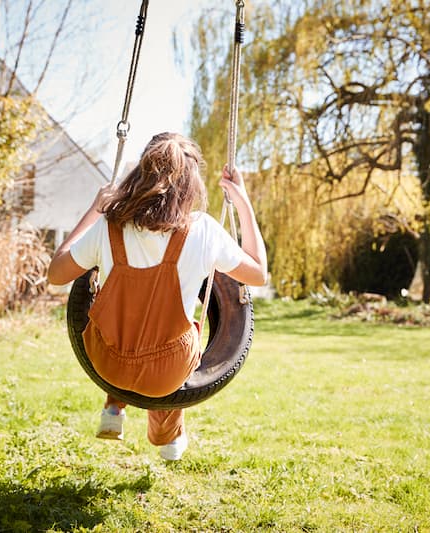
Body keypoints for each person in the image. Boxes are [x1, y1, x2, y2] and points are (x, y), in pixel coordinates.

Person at [47, 132, 267, 461]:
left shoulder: (109, 225)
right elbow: (259, 274)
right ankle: (168, 437)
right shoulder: (203, 230)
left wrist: (95, 210)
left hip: (106, 363)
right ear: (192, 184)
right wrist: (243, 202)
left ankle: (114, 406)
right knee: (182, 340)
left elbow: (55, 274)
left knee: (119, 315)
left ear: (140, 173)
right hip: (167, 374)